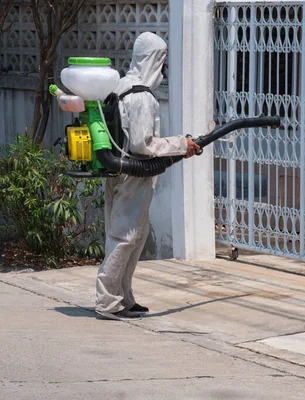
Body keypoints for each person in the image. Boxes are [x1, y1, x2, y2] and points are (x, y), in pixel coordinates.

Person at [95, 32, 200, 321]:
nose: (163, 68)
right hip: (134, 174)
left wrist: (180, 146)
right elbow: (143, 144)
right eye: (162, 61)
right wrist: (181, 144)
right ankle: (107, 301)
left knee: (133, 237)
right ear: (154, 59)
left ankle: (123, 298)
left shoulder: (119, 86)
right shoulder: (141, 96)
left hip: (121, 171)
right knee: (125, 237)